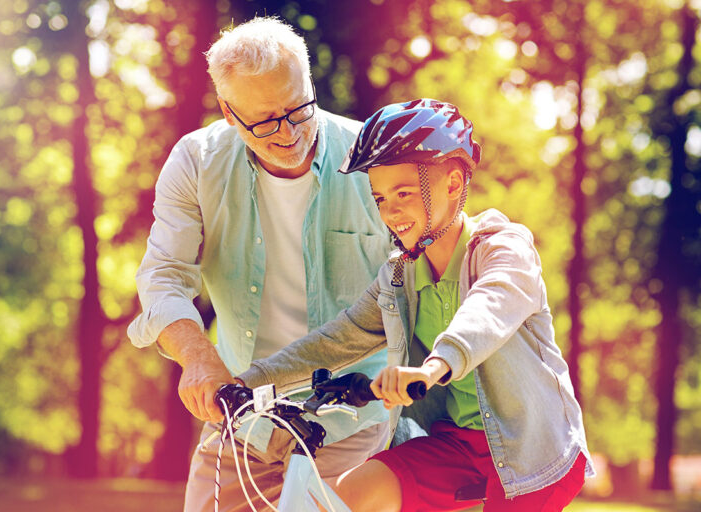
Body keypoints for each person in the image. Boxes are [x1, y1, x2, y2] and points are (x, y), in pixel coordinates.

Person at [234, 99, 594, 511]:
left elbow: (489, 310)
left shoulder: (502, 249)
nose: (391, 212)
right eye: (381, 198)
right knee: (348, 493)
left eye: (403, 193)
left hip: (531, 448)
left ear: (454, 184)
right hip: (456, 446)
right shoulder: (399, 276)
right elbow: (338, 339)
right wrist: (249, 380)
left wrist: (433, 366)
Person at [127, 16, 394, 512]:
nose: (288, 132)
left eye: (297, 108)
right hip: (241, 416)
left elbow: (422, 279)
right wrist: (199, 358)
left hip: (353, 420)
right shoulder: (197, 162)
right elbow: (163, 274)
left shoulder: (373, 161)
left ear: (310, 84)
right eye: (266, 121)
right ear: (230, 113)